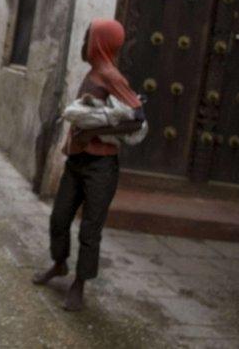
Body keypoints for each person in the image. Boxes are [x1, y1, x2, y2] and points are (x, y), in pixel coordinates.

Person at [31, 19, 145, 311]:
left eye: (88, 37)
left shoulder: (111, 76)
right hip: (77, 161)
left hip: (101, 167)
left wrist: (95, 132)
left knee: (89, 230)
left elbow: (136, 119)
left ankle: (79, 285)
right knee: (59, 217)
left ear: (101, 42)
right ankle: (59, 264)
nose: (83, 43)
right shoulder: (93, 73)